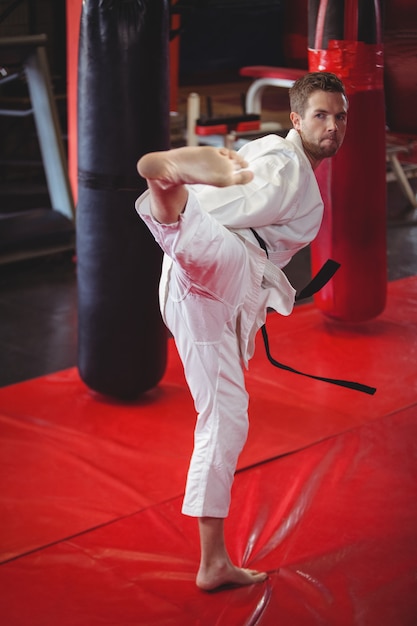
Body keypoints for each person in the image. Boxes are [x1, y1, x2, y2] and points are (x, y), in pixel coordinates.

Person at [135, 72, 348, 591]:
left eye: (340, 117)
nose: (333, 126)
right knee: (206, 241)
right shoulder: (285, 163)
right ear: (297, 118)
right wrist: (205, 191)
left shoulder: (274, 156)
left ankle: (212, 564)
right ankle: (171, 188)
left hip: (200, 290)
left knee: (225, 417)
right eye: (321, 115)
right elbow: (253, 198)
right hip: (229, 262)